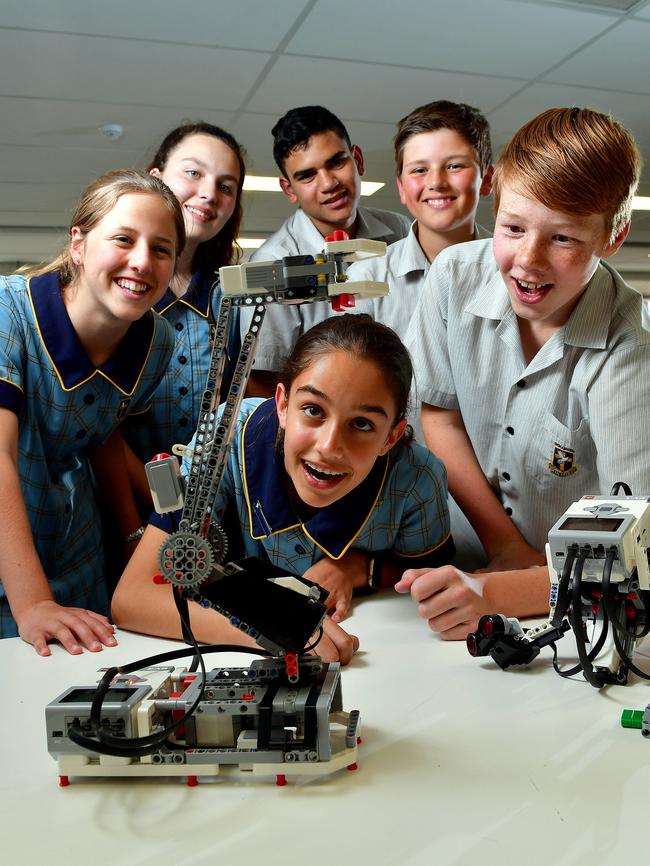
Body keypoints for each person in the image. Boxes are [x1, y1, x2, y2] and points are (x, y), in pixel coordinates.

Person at [400, 107, 649, 640]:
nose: (527, 261)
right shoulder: (453, 278)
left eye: (563, 239)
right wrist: (504, 548)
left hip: (580, 595)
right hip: (459, 564)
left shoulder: (631, 345)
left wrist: (504, 590)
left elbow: (632, 544)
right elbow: (439, 415)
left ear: (613, 236)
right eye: (513, 228)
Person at [112, 314, 453, 664]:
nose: (329, 446)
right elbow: (134, 597)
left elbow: (432, 582)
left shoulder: (416, 479)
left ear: (392, 437)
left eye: (362, 424)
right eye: (312, 410)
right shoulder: (225, 437)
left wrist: (355, 568)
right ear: (283, 404)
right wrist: (273, 627)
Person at [0, 169, 184, 654]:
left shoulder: (156, 340)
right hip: (13, 571)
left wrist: (140, 534)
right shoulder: (9, 315)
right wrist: (33, 602)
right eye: (123, 239)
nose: (142, 262)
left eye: (161, 249)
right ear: (78, 243)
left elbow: (103, 429)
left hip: (79, 556)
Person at [242, 105, 411, 394]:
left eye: (336, 162)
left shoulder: (399, 230)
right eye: (307, 175)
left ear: (357, 159)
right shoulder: (270, 265)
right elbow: (261, 383)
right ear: (289, 189)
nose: (329, 183)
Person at [124, 122, 245, 479]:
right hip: (121, 506)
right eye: (193, 172)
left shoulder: (231, 296)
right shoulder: (121, 292)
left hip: (210, 501)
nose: (209, 194)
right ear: (155, 178)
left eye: (226, 186)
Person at [347, 100, 493, 334]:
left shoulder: (514, 270)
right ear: (402, 188)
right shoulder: (367, 277)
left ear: (486, 180)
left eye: (455, 166)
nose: (436, 182)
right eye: (419, 170)